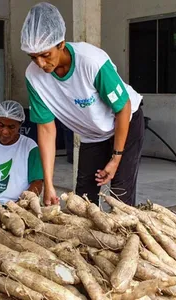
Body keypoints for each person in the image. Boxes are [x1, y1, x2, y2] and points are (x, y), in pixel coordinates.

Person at [21, 3, 144, 206]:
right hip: (92, 134)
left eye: (45, 55)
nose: (41, 64)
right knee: (83, 199)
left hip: (126, 121)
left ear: (60, 44)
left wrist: (115, 159)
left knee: (120, 197)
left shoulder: (91, 62)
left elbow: (123, 108)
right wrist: (49, 185)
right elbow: (46, 129)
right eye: (33, 57)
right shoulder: (33, 77)